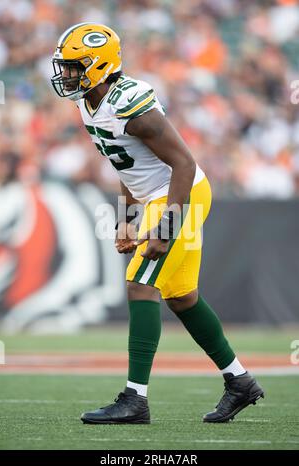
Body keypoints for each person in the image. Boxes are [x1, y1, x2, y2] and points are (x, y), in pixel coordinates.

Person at [51, 23, 264, 424]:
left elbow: (183, 162)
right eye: (64, 67)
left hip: (179, 194)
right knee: (181, 296)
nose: (66, 75)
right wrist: (128, 218)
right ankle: (240, 382)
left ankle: (135, 399)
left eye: (74, 66)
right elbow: (126, 166)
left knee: (139, 283)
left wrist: (165, 228)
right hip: (156, 197)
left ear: (99, 66)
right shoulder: (87, 102)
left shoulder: (132, 104)